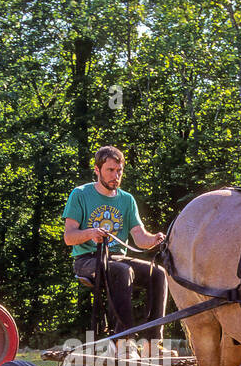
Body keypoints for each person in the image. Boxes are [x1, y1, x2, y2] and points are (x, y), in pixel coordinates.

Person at [62, 146, 168, 352]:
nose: (116, 176)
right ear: (97, 169)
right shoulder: (80, 194)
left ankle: (152, 343)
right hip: (87, 259)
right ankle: (122, 340)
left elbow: (139, 237)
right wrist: (91, 233)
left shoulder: (126, 199)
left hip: (118, 258)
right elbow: (69, 237)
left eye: (119, 171)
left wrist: (154, 239)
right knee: (122, 271)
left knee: (159, 273)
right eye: (110, 170)